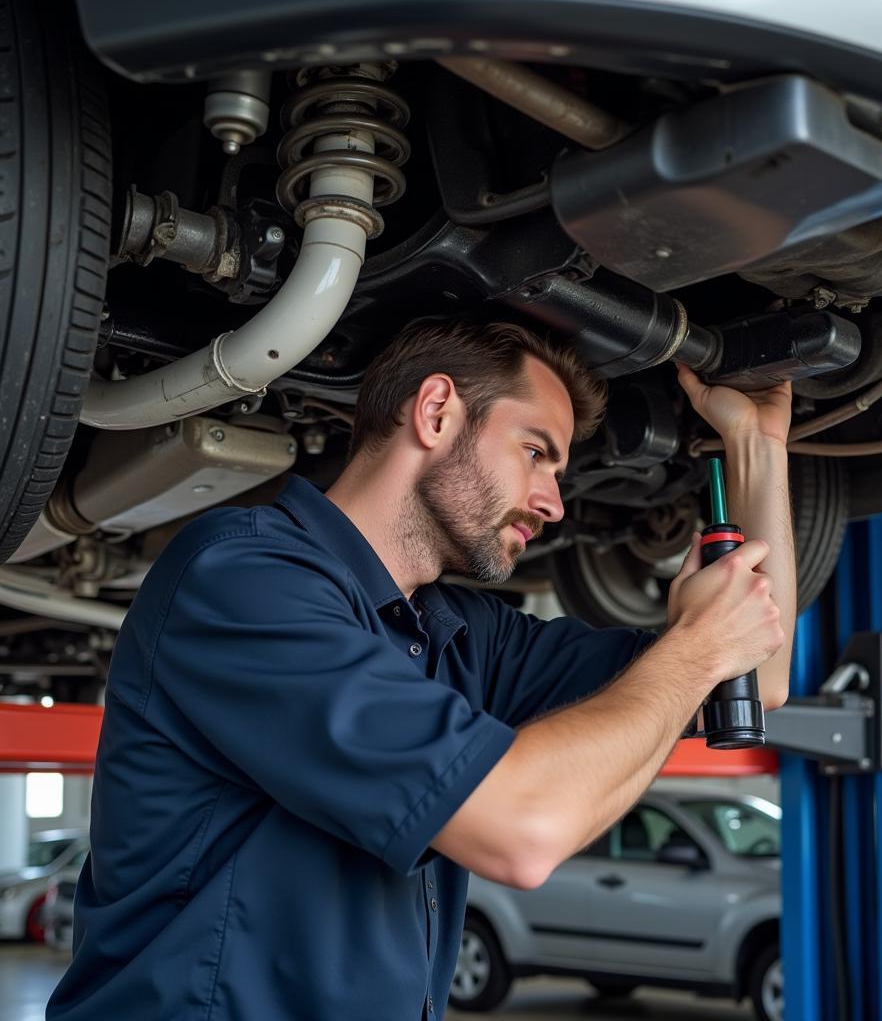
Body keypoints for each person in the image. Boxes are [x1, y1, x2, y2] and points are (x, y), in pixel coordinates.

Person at [47, 319, 794, 1021]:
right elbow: (523, 833)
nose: (555, 504)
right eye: (536, 452)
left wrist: (756, 444)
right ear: (436, 412)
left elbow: (752, 680)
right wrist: (697, 644)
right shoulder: (240, 579)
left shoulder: (464, 637)